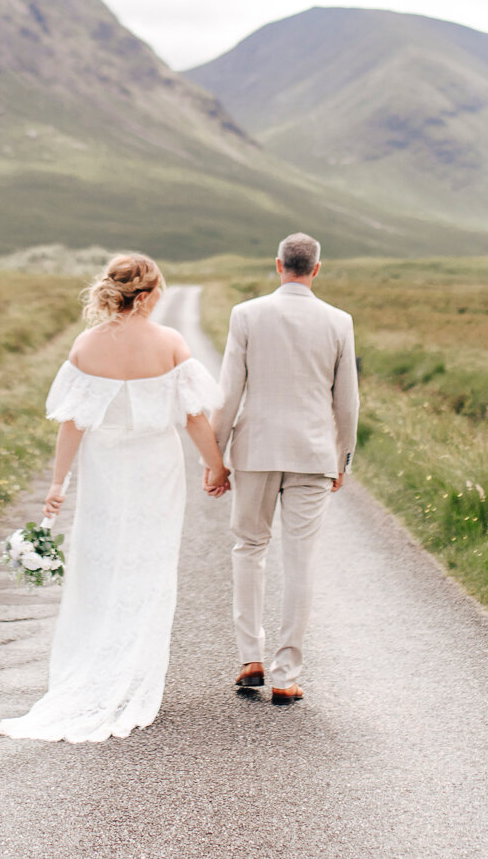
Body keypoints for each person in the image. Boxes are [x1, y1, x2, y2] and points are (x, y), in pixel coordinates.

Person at [0, 252, 231, 743]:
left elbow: (72, 422)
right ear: (145, 296)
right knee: (149, 563)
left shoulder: (86, 345)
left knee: (101, 562)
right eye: (160, 289)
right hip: (155, 466)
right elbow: (193, 416)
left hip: (103, 466)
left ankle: (98, 664)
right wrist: (215, 463)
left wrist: (58, 484)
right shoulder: (169, 342)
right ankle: (134, 669)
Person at [211, 232, 358, 704]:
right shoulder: (340, 321)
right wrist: (343, 459)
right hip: (314, 455)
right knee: (300, 559)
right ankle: (285, 674)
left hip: (254, 450)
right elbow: (347, 402)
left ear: (278, 265)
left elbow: (228, 392)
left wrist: (216, 458)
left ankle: (249, 657)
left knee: (249, 548)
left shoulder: (246, 314)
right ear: (316, 269)